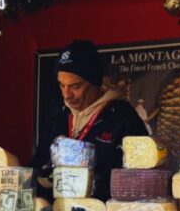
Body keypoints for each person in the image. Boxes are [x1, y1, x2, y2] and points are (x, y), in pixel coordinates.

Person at [32, 39, 148, 202]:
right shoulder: (58, 122)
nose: (66, 95)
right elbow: (36, 170)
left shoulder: (123, 117)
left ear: (94, 83)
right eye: (61, 85)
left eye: (75, 86)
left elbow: (142, 179)